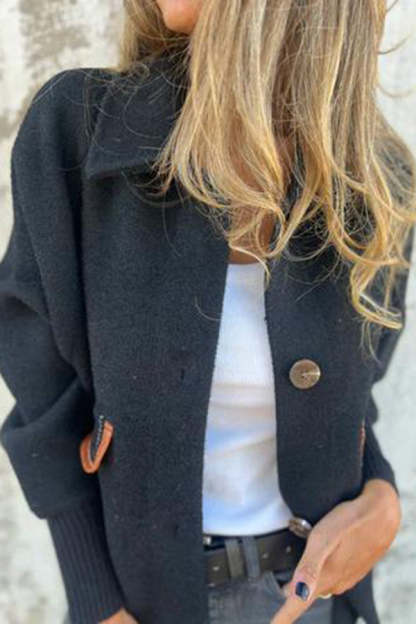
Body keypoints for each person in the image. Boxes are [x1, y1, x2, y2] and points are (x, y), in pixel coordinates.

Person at [0, 1, 415, 623]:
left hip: (313, 598)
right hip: (148, 603)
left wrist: (382, 497)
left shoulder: (378, 186)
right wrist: (97, 603)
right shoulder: (80, 131)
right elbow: (42, 389)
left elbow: (355, 401)